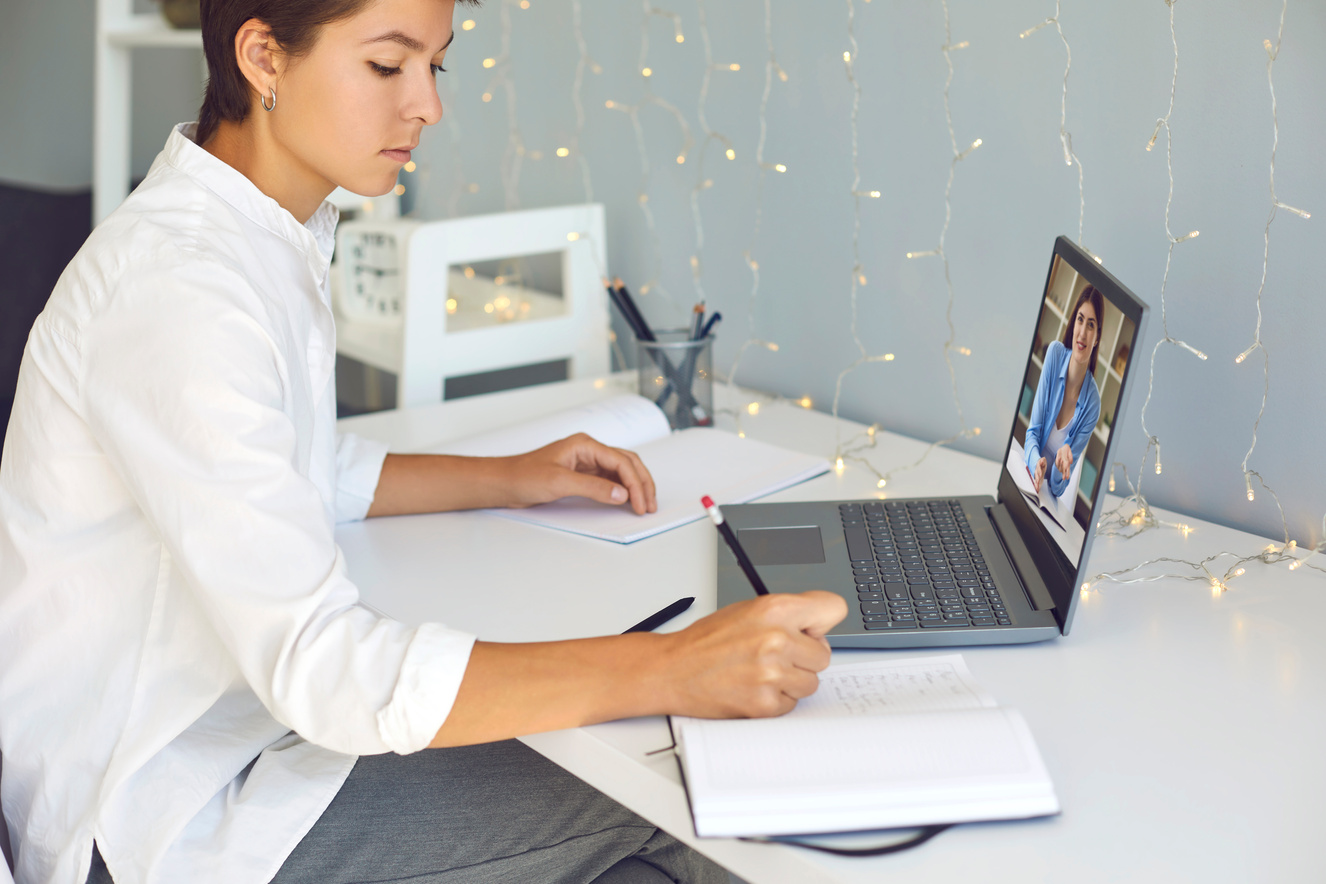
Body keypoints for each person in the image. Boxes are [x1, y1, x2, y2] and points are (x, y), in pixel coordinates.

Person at [0, 1, 847, 882]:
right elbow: (323, 669)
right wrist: (670, 666)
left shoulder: (253, 232)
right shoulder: (182, 290)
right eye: (386, 65)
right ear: (263, 57)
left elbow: (301, 466)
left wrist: (510, 478)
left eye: (433, 67)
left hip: (223, 751)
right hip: (154, 821)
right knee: (674, 796)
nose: (428, 106)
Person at [1024, 285, 1103, 501]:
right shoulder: (1055, 355)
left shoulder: (1093, 404)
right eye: (1080, 319)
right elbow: (1032, 433)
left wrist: (1059, 468)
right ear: (1073, 322)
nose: (1083, 333)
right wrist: (1036, 463)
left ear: (1097, 338)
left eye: (1091, 325)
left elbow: (1059, 489)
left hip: (1048, 500)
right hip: (1028, 479)